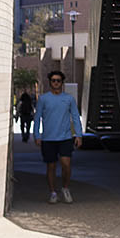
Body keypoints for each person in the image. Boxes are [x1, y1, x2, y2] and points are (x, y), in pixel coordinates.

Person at [35, 69, 82, 203]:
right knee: (51, 166)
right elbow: (37, 118)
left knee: (66, 164)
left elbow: (75, 117)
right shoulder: (43, 99)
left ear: (62, 83)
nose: (56, 83)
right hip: (48, 139)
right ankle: (53, 192)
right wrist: (37, 135)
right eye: (53, 80)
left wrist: (78, 135)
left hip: (65, 138)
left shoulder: (69, 99)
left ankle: (65, 188)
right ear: (50, 82)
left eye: (58, 81)